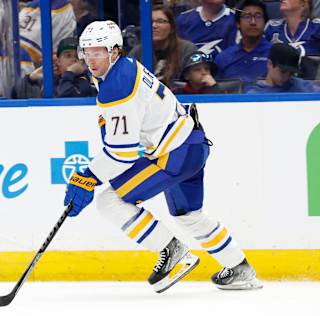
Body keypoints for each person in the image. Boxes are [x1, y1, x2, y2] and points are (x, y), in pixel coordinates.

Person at [65, 20, 262, 293]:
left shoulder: (117, 84)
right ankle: (240, 268)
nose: (90, 58)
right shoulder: (122, 68)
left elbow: (122, 152)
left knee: (109, 202)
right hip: (192, 142)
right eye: (86, 51)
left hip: (174, 153)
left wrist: (86, 177)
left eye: (98, 51)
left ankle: (172, 251)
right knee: (188, 214)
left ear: (114, 51)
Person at [128, 4, 197, 86]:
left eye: (160, 21)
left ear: (172, 28)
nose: (154, 26)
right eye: (150, 22)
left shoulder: (187, 49)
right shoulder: (138, 52)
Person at [14, 36, 97, 98]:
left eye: (77, 56)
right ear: (58, 60)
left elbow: (66, 97)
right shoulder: (50, 80)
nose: (73, 60)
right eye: (68, 55)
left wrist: (69, 73)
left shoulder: (86, 81)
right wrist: (30, 78)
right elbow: (15, 94)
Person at [214, 0, 271, 90]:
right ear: (237, 24)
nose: (253, 22)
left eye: (258, 16)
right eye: (247, 16)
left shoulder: (275, 55)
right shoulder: (223, 58)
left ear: (265, 23)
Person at [247, 43, 320, 92]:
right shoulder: (255, 94)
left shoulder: (302, 85)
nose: (286, 77)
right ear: (270, 64)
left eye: (291, 73)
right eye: (283, 71)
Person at [173, 51, 241, 94]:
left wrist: (214, 88)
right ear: (186, 75)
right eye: (197, 70)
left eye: (207, 69)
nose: (204, 72)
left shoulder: (220, 91)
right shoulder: (177, 94)